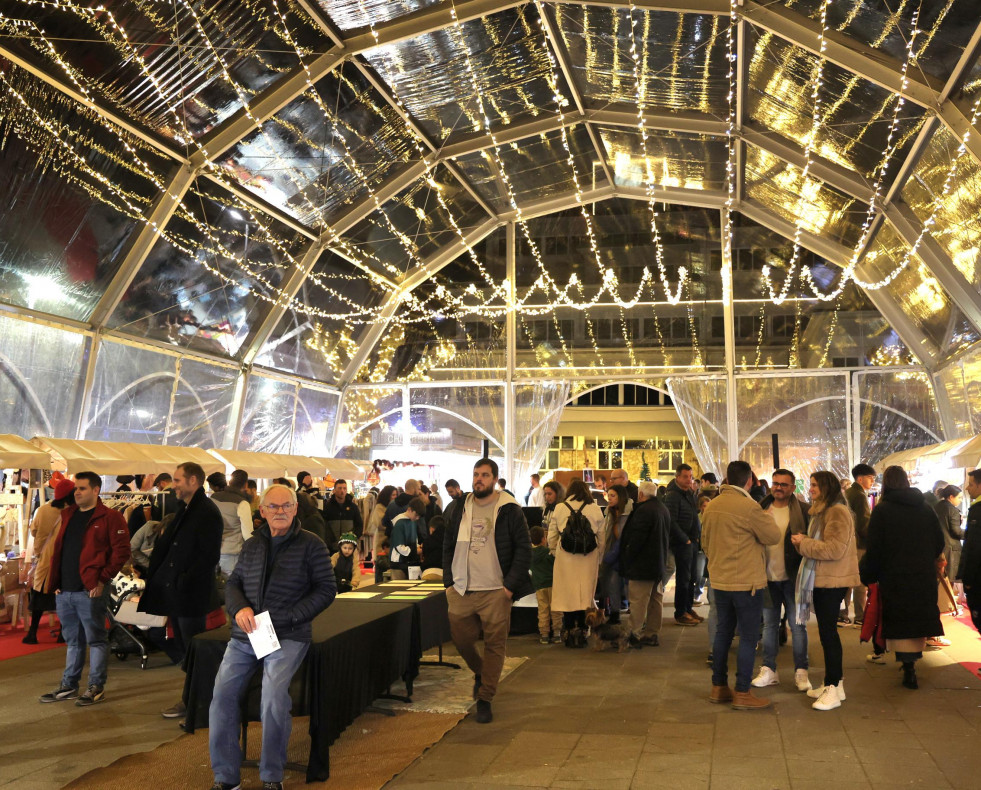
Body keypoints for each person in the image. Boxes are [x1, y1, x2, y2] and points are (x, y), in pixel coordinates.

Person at [209, 483, 336, 790]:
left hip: (289, 635)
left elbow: (326, 589)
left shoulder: (312, 544)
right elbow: (234, 582)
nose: (281, 512)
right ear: (262, 511)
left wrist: (292, 616)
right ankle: (226, 778)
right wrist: (239, 608)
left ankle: (271, 776)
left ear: (295, 509)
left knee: (273, 700)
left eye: (286, 506)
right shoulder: (252, 543)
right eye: (274, 507)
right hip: (246, 635)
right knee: (221, 698)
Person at [443, 458, 533, 724]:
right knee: (460, 638)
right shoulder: (459, 506)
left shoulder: (509, 509)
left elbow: (524, 550)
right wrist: (448, 582)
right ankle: (480, 672)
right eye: (475, 474)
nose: (478, 479)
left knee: (495, 645)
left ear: (494, 479)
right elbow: (447, 543)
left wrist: (508, 588)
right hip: (461, 588)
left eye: (484, 475)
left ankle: (485, 698)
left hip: (496, 590)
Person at [39, 472, 131, 706]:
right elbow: (60, 550)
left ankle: (96, 687)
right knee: (73, 641)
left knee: (97, 640)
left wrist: (101, 580)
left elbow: (121, 553)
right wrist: (57, 582)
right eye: (76, 489)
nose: (76, 492)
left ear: (96, 490)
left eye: (81, 488)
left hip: (90, 590)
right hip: (66, 590)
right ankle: (69, 685)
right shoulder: (68, 514)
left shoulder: (110, 517)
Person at [139, 462, 223, 720]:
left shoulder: (206, 511)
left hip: (191, 596)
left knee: (195, 651)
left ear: (193, 481)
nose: (172, 485)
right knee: (186, 649)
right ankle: (193, 700)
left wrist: (182, 581)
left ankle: (199, 704)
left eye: (177, 480)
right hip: (179, 593)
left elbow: (208, 556)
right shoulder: (187, 509)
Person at [701, 460, 781, 710]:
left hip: (720, 580)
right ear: (748, 481)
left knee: (723, 633)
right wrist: (766, 517)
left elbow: (705, 543)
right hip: (746, 583)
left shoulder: (711, 506)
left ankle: (718, 687)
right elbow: (773, 536)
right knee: (747, 636)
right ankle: (743, 692)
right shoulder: (750, 507)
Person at [861, 465, 945, 692]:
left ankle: (908, 666)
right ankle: (910, 665)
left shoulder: (883, 510)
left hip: (894, 575)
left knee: (899, 620)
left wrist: (869, 573)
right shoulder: (925, 508)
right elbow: (939, 542)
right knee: (916, 620)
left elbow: (875, 547)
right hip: (922, 574)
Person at [790, 471, 861, 710]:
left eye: (814, 486)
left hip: (832, 581)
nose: (810, 489)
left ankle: (832, 687)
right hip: (825, 579)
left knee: (828, 634)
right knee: (826, 632)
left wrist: (804, 543)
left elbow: (834, 549)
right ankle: (835, 684)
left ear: (826, 488)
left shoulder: (836, 512)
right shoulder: (824, 511)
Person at [752, 469, 811, 693]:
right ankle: (769, 669)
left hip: (795, 577)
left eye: (784, 485)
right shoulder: (759, 509)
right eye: (775, 483)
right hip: (767, 576)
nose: (778, 487)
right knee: (769, 625)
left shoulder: (803, 511)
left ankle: (801, 671)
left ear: (792, 488)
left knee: (798, 626)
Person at [549, 478, 605, 648]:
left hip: (566, 557)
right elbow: (601, 537)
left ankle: (567, 631)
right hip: (588, 556)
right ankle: (582, 630)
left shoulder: (560, 508)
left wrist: (554, 552)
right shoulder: (594, 508)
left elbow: (551, 537)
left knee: (567, 595)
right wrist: (599, 557)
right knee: (585, 594)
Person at [23, 477, 76, 644]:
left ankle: (32, 633)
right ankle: (62, 633)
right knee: (63, 598)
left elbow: (34, 531)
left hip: (44, 560)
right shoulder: (73, 513)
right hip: (63, 560)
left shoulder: (43, 510)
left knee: (39, 597)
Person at [619, 480, 671, 649]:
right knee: (656, 600)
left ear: (641, 495)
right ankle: (652, 633)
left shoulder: (643, 511)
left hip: (642, 565)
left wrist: (628, 556)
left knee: (638, 601)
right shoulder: (663, 509)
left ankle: (634, 633)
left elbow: (637, 539)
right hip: (658, 564)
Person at [664, 463, 702, 627]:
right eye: (685, 476)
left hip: (691, 542)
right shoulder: (673, 495)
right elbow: (671, 520)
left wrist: (696, 538)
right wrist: (684, 538)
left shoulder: (689, 494)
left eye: (691, 477)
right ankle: (680, 612)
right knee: (683, 579)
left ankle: (688, 608)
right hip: (682, 542)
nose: (689, 480)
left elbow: (693, 515)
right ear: (677, 477)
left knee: (692, 577)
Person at [841, 463, 875, 626]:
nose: (872, 482)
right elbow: (864, 523)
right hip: (859, 544)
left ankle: (842, 613)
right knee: (860, 581)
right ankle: (860, 616)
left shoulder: (849, 492)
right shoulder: (860, 495)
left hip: (848, 542)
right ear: (860, 478)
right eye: (870, 478)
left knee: (848, 579)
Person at [599, 484, 632, 623]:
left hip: (626, 555)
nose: (609, 499)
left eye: (613, 496)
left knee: (628, 587)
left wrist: (609, 556)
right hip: (614, 554)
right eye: (608, 495)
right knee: (612, 584)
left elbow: (625, 537)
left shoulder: (629, 513)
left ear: (621, 497)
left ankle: (636, 616)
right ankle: (614, 613)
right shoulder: (610, 512)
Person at [212, 469, 253, 576]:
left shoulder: (213, 497)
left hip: (212, 550)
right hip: (231, 555)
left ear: (229, 481)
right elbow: (248, 534)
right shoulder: (242, 503)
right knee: (228, 588)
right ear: (245, 484)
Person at [957, 469, 981, 634]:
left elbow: (974, 548)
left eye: (971, 484)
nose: (967, 488)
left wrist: (968, 578)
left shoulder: (977, 511)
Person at [529, 525, 560, 644]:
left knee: (542, 610)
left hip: (539, 585)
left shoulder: (530, 555)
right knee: (556, 609)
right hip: (553, 584)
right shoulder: (549, 553)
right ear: (543, 539)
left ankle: (544, 634)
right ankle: (557, 633)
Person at [935, 485, 964, 589]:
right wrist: (970, 534)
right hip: (951, 550)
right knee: (949, 582)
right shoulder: (953, 510)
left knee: (940, 581)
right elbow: (956, 531)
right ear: (951, 497)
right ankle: (948, 604)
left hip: (939, 548)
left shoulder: (937, 506)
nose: (960, 500)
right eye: (959, 497)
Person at [389, 497, 426, 580]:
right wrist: (414, 550)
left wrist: (418, 547)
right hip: (398, 563)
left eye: (419, 517)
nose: (417, 518)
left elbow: (414, 539)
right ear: (409, 509)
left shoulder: (412, 521)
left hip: (409, 561)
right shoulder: (399, 522)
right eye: (416, 515)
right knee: (399, 590)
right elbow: (398, 546)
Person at [323, 479, 363, 552]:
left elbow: (359, 525)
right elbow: (324, 525)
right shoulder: (328, 506)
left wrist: (353, 538)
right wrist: (329, 541)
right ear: (334, 490)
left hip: (349, 546)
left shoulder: (353, 507)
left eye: (344, 488)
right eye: (340, 488)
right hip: (332, 547)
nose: (342, 491)